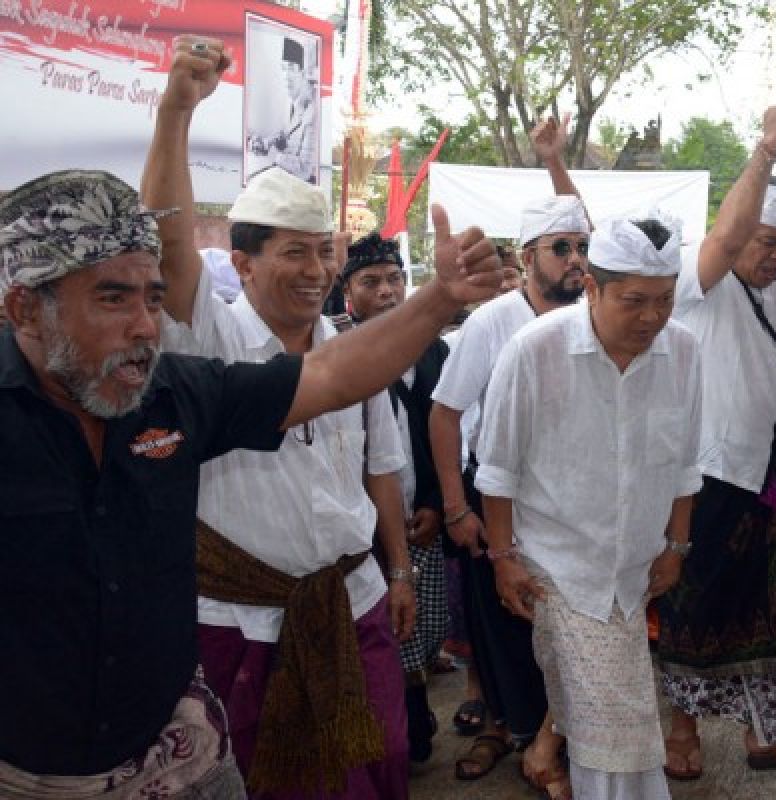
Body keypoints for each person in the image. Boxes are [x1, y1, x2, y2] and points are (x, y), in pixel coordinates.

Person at [0, 167, 498, 798]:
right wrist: (179, 106)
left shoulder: (174, 393)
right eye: (111, 299)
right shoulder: (208, 342)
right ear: (24, 308)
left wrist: (440, 297)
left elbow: (331, 378)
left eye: (152, 300)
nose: (145, 326)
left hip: (181, 751)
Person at [139, 38, 497, 798]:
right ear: (241, 263)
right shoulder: (211, 339)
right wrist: (175, 112)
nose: (315, 271)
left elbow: (382, 473)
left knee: (374, 767)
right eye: (293, 254)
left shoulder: (354, 351)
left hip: (352, 599)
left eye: (323, 253)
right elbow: (169, 240)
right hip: (235, 621)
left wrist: (397, 571)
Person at [476, 215, 703, 800]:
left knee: (600, 705)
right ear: (592, 288)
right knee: (618, 722)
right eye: (635, 301)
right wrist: (503, 559)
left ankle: (546, 753)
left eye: (664, 300)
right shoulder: (535, 349)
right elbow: (497, 466)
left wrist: (677, 546)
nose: (653, 317)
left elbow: (684, 462)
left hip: (636, 572)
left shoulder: (683, 351)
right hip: (559, 566)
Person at [655, 106, 776, 779]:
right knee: (692, 609)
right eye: (761, 241)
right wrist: (768, 147)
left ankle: (772, 734)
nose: (772, 254)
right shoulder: (696, 283)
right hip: (710, 476)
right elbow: (729, 229)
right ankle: (680, 733)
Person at [429, 115, 589, 795]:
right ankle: (510, 730)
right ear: (528, 258)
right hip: (493, 497)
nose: (576, 259)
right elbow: (445, 414)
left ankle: (548, 738)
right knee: (500, 628)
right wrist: (457, 507)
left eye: (583, 246)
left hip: (568, 496)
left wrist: (555, 163)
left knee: (559, 623)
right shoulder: (493, 322)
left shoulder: (593, 317)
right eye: (561, 248)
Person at [343, 231, 451, 765]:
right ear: (348, 294)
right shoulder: (338, 355)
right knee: (384, 630)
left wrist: (433, 500)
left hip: (420, 514)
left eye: (394, 279)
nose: (386, 291)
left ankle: (411, 708)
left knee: (422, 625)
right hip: (363, 527)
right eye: (370, 282)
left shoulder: (434, 349)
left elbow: (449, 430)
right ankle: (402, 723)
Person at [248, 36, 317, 184]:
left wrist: (274, 155)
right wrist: (268, 142)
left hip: (300, 190)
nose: (286, 76)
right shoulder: (290, 103)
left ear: (303, 73)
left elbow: (305, 170)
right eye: (284, 68)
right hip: (283, 182)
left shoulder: (313, 112)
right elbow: (286, 138)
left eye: (291, 68)